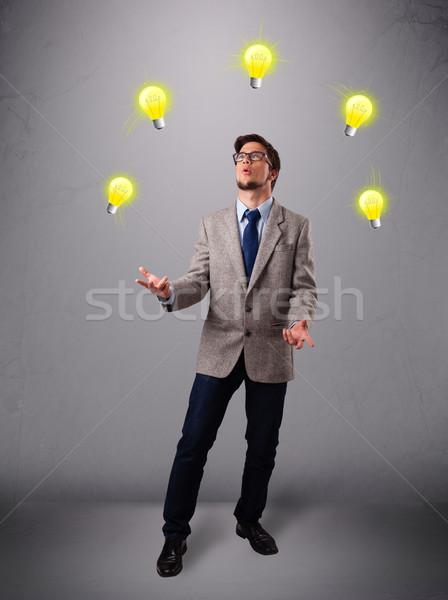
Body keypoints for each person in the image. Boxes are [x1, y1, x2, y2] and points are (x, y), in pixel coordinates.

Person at [135, 134, 318, 577]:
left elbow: (305, 287)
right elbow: (198, 280)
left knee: (262, 448)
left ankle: (248, 520)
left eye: (256, 156)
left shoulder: (295, 226)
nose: (246, 162)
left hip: (273, 348)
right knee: (193, 444)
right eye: (240, 156)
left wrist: (298, 320)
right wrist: (170, 291)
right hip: (219, 348)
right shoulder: (211, 223)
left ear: (272, 170)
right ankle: (174, 534)